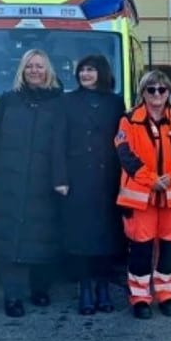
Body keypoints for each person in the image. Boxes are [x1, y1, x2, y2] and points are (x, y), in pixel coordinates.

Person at [0, 49, 68, 317]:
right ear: (22, 70)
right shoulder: (9, 100)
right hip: (10, 179)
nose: (34, 70)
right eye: (29, 66)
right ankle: (13, 296)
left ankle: (40, 289)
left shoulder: (59, 102)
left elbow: (65, 142)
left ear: (48, 70)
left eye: (40, 66)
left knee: (44, 237)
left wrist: (62, 178)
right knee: (12, 240)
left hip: (45, 181)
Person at [115, 70, 171, 319]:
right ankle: (140, 298)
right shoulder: (129, 120)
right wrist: (152, 180)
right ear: (143, 92)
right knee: (140, 250)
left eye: (162, 89)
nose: (157, 94)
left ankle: (166, 295)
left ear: (169, 92)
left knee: (170, 249)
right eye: (151, 89)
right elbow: (125, 155)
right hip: (141, 198)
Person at [57, 54, 127, 315]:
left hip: (108, 180)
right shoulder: (67, 101)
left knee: (107, 237)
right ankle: (85, 288)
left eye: (91, 70)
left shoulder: (115, 102)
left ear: (102, 72)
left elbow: (122, 140)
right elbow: (58, 143)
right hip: (78, 179)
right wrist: (60, 178)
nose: (85, 74)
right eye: (82, 70)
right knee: (82, 237)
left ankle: (103, 287)